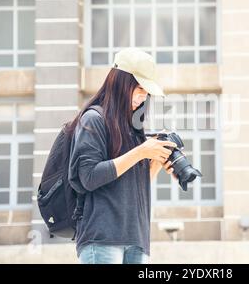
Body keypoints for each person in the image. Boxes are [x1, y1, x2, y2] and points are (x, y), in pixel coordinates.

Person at [67, 48, 176, 264]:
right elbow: (88, 176)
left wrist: (156, 163)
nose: (143, 96)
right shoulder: (94, 120)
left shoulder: (133, 129)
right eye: (139, 88)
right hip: (102, 239)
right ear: (121, 83)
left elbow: (132, 186)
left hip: (137, 239)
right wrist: (141, 152)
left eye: (147, 91)